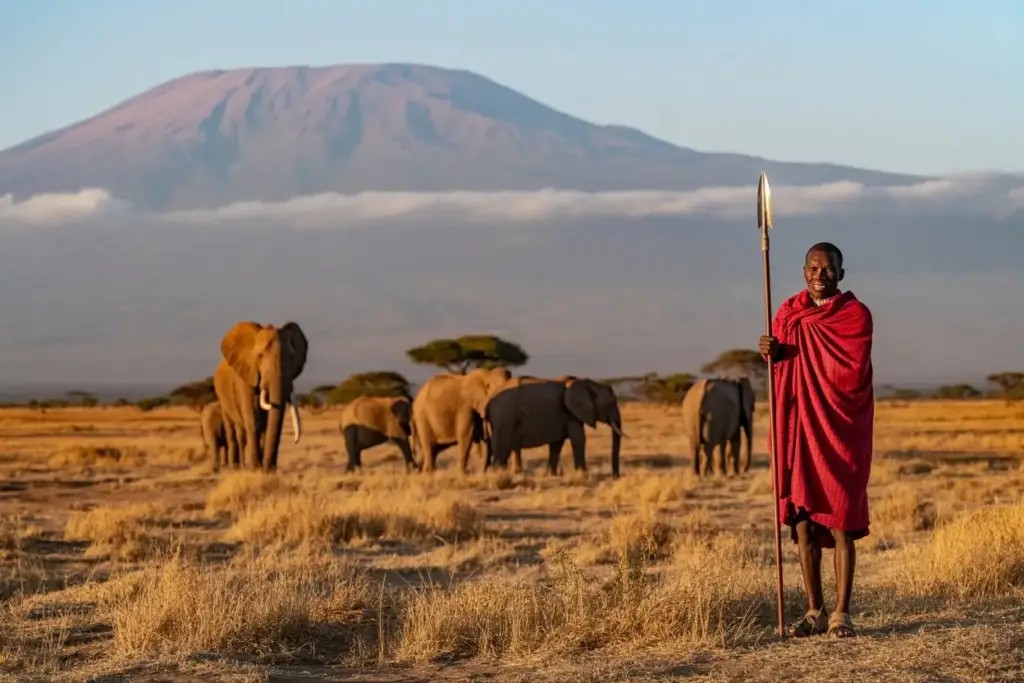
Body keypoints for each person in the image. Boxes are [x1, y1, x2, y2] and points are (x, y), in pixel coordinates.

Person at [758, 241, 874, 639]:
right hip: (798, 429)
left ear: (841, 273)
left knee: (841, 520)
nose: (820, 274)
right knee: (803, 522)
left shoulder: (855, 316)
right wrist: (771, 352)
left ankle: (842, 613)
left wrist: (796, 349)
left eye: (828, 269)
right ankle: (815, 611)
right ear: (803, 271)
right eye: (813, 267)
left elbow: (851, 373)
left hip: (838, 431)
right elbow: (782, 371)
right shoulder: (788, 313)